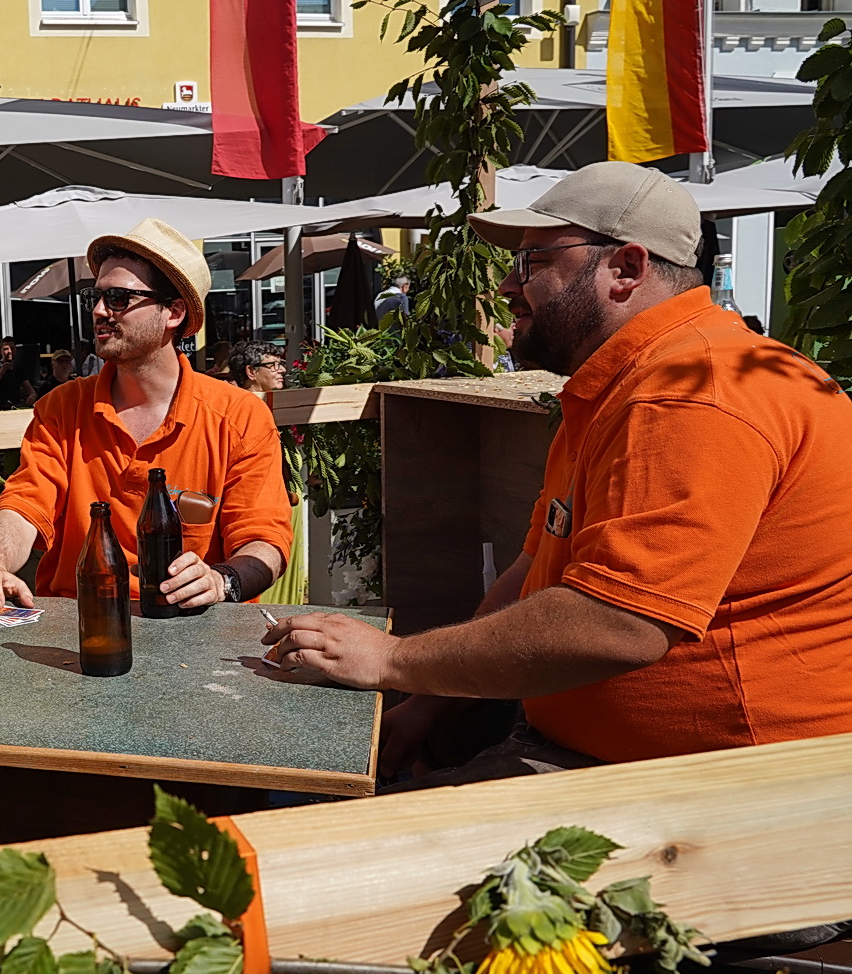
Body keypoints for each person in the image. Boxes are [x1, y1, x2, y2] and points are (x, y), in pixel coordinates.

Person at [263, 161, 852, 786]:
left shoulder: (689, 392)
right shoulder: (625, 381)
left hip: (728, 781)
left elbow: (619, 626)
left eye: (534, 263)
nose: (508, 288)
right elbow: (532, 570)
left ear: (625, 269)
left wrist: (393, 658)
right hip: (599, 751)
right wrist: (423, 709)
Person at [0, 219, 292, 618]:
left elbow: (265, 539)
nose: (98, 311)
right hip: (76, 622)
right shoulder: (61, 407)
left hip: (191, 628)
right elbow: (25, 506)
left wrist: (222, 580)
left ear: (174, 312)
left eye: (118, 298)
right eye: (95, 297)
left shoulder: (239, 415)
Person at [0, 337, 35, 410]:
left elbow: (30, 390)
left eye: (12, 348)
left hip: (16, 405)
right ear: (1, 352)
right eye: (6, 349)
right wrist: (1, 372)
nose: (9, 352)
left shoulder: (18, 368)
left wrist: (32, 396)